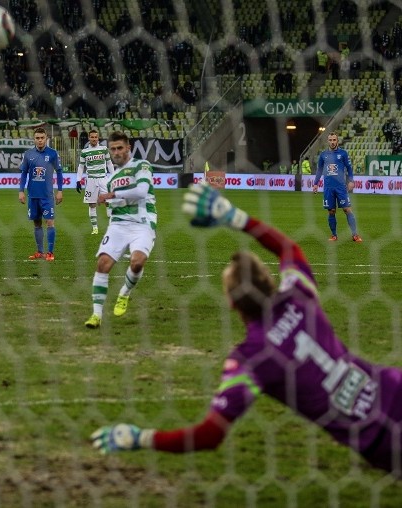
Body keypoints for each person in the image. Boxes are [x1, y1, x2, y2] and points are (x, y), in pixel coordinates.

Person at [91, 182, 402, 475]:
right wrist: (234, 217)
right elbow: (289, 248)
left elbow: (210, 434)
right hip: (392, 387)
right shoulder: (299, 298)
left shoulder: (251, 359)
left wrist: (140, 438)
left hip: (381, 441)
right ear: (269, 281)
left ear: (232, 305)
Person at [84, 131, 157, 329]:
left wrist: (112, 195)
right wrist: (111, 200)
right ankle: (96, 315)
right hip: (118, 225)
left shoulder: (141, 166)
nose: (116, 152)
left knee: (137, 262)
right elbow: (113, 206)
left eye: (120, 148)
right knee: (103, 264)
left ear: (128, 148)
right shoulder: (111, 177)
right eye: (112, 149)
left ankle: (124, 293)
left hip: (143, 223)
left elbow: (141, 192)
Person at [18, 127, 63, 262]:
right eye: (37, 138)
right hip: (33, 195)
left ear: (46, 138)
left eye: (42, 138)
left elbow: (59, 172)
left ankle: (50, 252)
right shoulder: (28, 154)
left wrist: (60, 190)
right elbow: (24, 173)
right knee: (37, 224)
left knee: (50, 222)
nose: (40, 140)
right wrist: (21, 191)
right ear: (34, 139)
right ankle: (40, 252)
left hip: (47, 195)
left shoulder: (53, 154)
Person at [313, 132, 362, 242]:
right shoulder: (323, 155)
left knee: (347, 209)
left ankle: (355, 235)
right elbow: (319, 170)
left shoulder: (343, 153)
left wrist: (351, 181)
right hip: (328, 188)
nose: (332, 142)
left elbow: (349, 168)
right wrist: (315, 184)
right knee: (331, 211)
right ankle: (334, 235)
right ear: (328, 141)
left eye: (334, 140)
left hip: (341, 187)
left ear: (337, 141)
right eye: (330, 140)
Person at [76, 129, 115, 234]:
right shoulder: (84, 152)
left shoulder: (104, 149)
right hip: (91, 180)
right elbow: (81, 167)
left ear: (98, 138)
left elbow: (109, 163)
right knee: (92, 204)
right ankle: (95, 228)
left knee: (108, 203)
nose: (94, 139)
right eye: (92, 137)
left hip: (103, 179)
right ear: (89, 138)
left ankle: (112, 228)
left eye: (95, 137)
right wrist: (78, 180)